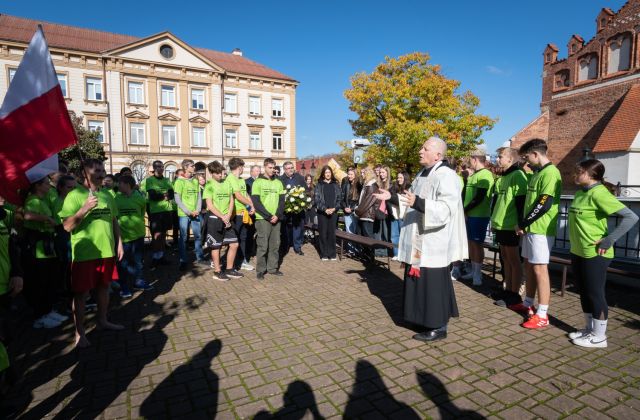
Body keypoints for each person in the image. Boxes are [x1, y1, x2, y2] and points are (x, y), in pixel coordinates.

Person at [377, 137, 467, 342]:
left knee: (432, 285)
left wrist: (418, 202)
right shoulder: (421, 174)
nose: (420, 151)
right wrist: (390, 197)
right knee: (418, 281)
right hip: (418, 241)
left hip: (433, 242)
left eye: (424, 148)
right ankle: (421, 318)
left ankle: (438, 325)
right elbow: (410, 201)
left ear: (438, 155)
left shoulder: (447, 176)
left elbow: (446, 209)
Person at [567, 160, 638, 348]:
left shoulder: (599, 193)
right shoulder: (581, 193)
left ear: (590, 175)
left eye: (579, 171)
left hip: (596, 253)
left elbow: (631, 217)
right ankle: (589, 329)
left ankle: (599, 337)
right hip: (578, 251)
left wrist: (609, 240)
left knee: (594, 293)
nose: (575, 174)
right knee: (583, 291)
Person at [59, 159, 124, 348]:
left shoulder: (107, 195)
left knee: (104, 288)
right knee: (81, 294)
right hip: (85, 254)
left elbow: (114, 221)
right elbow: (67, 226)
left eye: (103, 169)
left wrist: (119, 243)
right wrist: (84, 208)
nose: (102, 172)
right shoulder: (75, 195)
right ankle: (79, 333)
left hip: (107, 251)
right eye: (97, 169)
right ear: (84, 174)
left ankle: (102, 321)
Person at [513, 139, 562, 329]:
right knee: (530, 266)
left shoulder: (551, 173)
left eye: (527, 157)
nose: (526, 162)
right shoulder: (536, 173)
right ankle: (528, 304)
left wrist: (524, 222)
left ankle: (543, 314)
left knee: (541, 270)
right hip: (531, 229)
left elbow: (544, 203)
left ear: (536, 154)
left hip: (541, 230)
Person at [23, 177, 65, 328]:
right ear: (38, 185)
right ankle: (39, 316)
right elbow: (26, 215)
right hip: (38, 248)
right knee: (40, 281)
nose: (50, 185)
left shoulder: (43, 200)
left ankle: (48, 310)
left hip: (48, 246)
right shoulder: (33, 200)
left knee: (50, 280)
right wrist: (46, 218)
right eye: (46, 183)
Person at [490, 147, 528, 307]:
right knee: (505, 259)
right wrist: (493, 222)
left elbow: (521, 202)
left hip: (511, 225)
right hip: (500, 224)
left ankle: (515, 294)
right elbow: (497, 203)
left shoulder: (518, 175)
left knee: (513, 260)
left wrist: (520, 223)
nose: (498, 159)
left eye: (500, 157)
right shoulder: (502, 178)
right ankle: (508, 289)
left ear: (510, 159)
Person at [203, 161, 244, 281]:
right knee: (216, 246)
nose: (221, 175)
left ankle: (230, 269)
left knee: (234, 244)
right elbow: (209, 205)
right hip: (215, 220)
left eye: (221, 172)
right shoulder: (209, 185)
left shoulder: (226, 182)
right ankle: (217, 271)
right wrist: (222, 216)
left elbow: (231, 199)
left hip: (227, 218)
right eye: (218, 174)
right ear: (211, 173)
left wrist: (229, 214)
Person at [461, 148, 494, 286]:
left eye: (470, 160)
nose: (470, 163)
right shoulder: (473, 175)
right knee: (471, 244)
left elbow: (479, 197)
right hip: (470, 215)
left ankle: (478, 274)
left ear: (475, 159)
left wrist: (465, 210)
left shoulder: (485, 174)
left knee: (477, 244)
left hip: (479, 215)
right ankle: (473, 271)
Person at [115, 175, 151, 298]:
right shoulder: (116, 198)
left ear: (127, 184)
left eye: (120, 183)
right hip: (123, 238)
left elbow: (142, 212)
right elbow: (114, 218)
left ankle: (139, 282)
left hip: (139, 235)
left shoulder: (139, 197)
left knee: (138, 261)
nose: (117, 186)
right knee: (123, 263)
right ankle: (124, 287)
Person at [251, 158, 285, 280]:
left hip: (276, 219)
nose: (272, 170)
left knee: (275, 245)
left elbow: (282, 201)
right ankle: (260, 270)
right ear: (265, 167)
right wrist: (269, 216)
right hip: (263, 219)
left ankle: (272, 268)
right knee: (263, 245)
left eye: (273, 168)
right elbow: (256, 202)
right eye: (270, 168)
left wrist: (277, 215)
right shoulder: (258, 182)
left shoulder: (279, 183)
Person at [174, 159, 205, 271]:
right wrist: (188, 212)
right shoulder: (179, 182)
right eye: (192, 166)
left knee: (198, 235)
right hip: (184, 214)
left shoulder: (195, 181)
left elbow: (199, 197)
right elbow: (177, 199)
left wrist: (197, 210)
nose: (194, 168)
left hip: (195, 213)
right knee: (183, 237)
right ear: (186, 168)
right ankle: (183, 260)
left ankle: (200, 257)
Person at [143, 160, 174, 269]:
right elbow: (152, 196)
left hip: (167, 210)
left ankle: (161, 257)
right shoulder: (149, 180)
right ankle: (155, 258)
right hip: (156, 211)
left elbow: (171, 195)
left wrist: (163, 195)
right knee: (156, 235)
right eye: (159, 167)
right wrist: (164, 196)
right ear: (155, 168)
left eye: (162, 167)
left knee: (163, 234)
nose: (161, 169)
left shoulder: (167, 180)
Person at [226, 158, 255, 271]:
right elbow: (238, 196)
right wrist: (251, 205)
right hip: (235, 214)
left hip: (244, 213)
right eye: (242, 167)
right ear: (239, 167)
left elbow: (245, 194)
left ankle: (242, 261)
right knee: (234, 239)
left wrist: (251, 205)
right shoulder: (230, 179)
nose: (243, 169)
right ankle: (232, 263)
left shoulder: (241, 180)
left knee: (243, 237)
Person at [314, 166, 342, 261]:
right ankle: (324, 254)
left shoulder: (336, 185)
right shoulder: (319, 185)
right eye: (326, 172)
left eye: (329, 172)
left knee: (331, 233)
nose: (328, 174)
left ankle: (332, 253)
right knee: (323, 233)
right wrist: (325, 209)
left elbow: (339, 199)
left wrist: (334, 208)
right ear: (323, 174)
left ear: (331, 173)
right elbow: (317, 200)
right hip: (322, 213)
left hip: (333, 212)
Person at [279, 161, 306, 256]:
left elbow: (305, 191)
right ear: (284, 170)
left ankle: (297, 247)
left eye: (291, 167)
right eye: (288, 168)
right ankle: (284, 247)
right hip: (285, 209)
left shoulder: (300, 178)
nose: (290, 170)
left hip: (297, 208)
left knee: (297, 228)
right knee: (284, 229)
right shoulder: (280, 179)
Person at [389, 171, 410, 259]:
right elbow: (390, 199)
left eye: (401, 178)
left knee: (404, 236)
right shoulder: (394, 188)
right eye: (398, 178)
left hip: (404, 216)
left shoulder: (409, 188)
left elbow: (404, 201)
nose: (398, 179)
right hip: (395, 215)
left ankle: (404, 254)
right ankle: (396, 254)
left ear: (405, 178)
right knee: (394, 235)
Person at [341, 167, 361, 236]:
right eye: (348, 174)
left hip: (355, 211)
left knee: (355, 231)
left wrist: (352, 209)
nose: (349, 176)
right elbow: (342, 198)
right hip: (347, 210)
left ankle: (355, 246)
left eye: (351, 174)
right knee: (348, 231)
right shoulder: (345, 185)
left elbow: (360, 200)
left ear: (355, 175)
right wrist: (344, 207)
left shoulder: (359, 185)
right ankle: (350, 246)